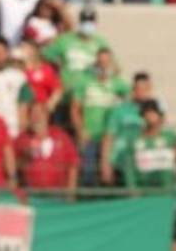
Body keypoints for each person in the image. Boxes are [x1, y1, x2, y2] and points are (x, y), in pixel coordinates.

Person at [70, 47, 126, 186]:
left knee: (111, 173)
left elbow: (129, 104)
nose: (103, 66)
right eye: (100, 63)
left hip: (111, 136)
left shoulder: (118, 84)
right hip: (90, 135)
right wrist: (80, 130)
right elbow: (75, 109)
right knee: (89, 172)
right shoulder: (85, 83)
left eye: (107, 62)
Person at [15, 100, 77, 190]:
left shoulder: (61, 136)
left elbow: (73, 164)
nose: (36, 117)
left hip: (58, 195)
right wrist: (25, 157)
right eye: (33, 113)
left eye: (39, 113)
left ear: (47, 115)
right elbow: (13, 165)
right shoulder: (23, 138)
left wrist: (71, 193)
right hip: (32, 195)